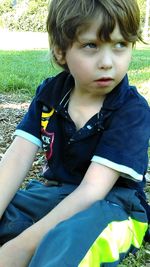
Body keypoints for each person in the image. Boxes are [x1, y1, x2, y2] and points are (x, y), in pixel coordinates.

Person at [0, 0, 150, 266]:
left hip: (114, 208)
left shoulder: (132, 110)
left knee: (68, 240)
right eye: (91, 45)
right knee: (10, 213)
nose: (107, 62)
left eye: (120, 45)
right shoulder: (50, 95)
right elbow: (16, 159)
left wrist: (20, 248)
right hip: (54, 196)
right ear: (60, 52)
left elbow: (93, 191)